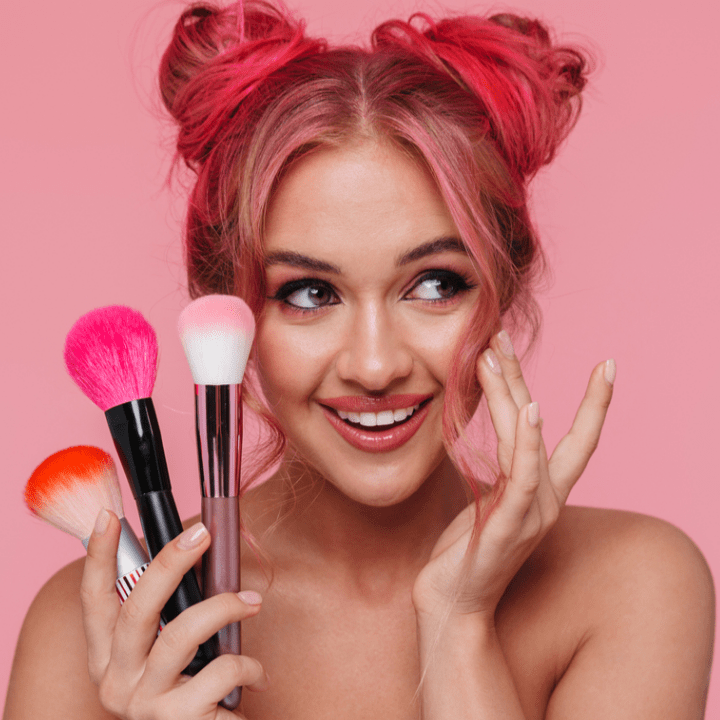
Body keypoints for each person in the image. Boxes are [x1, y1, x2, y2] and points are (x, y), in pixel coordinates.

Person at [4, 1, 714, 718]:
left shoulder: (629, 585)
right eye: (311, 293)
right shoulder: (85, 631)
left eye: (435, 285)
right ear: (231, 313)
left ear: (502, 289)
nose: (375, 367)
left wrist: (458, 624)